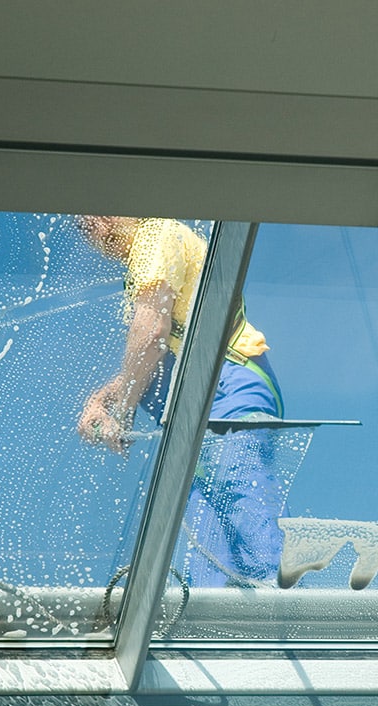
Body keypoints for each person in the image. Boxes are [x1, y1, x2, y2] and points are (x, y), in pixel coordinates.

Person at [76, 216, 286, 586]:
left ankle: (284, 620)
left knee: (246, 521)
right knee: (204, 561)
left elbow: (150, 331)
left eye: (89, 218)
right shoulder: (153, 251)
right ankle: (223, 632)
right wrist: (103, 398)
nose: (89, 228)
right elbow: (154, 350)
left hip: (226, 396)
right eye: (82, 224)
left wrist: (122, 412)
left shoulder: (155, 235)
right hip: (201, 417)